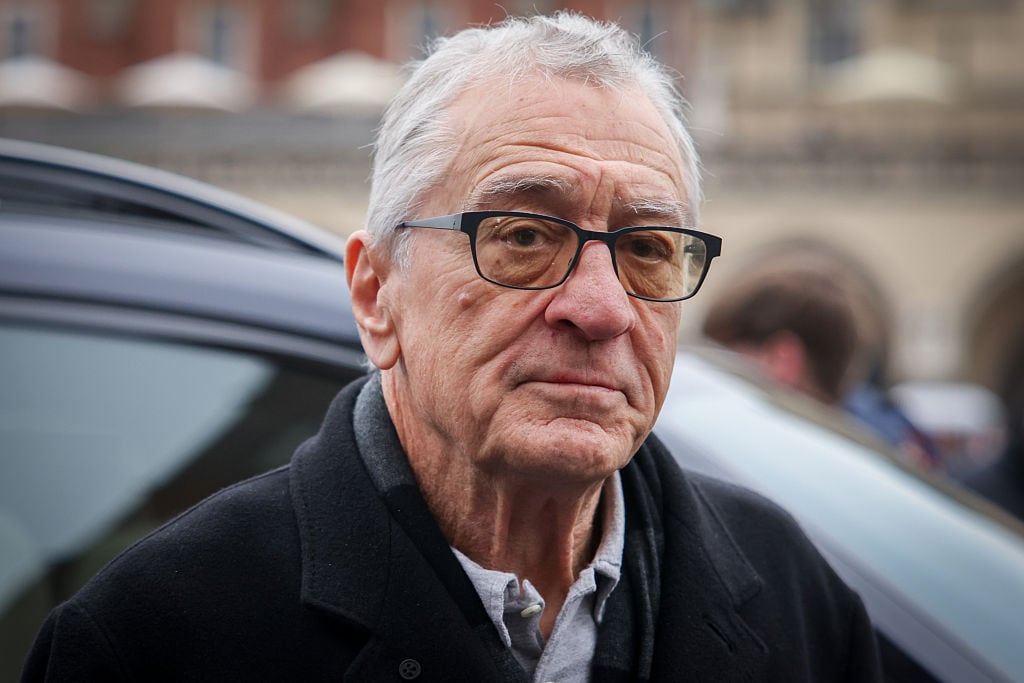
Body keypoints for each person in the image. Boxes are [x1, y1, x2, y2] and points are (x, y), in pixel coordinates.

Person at [23, 13, 882, 681]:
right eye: (523, 235)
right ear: (376, 294)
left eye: (649, 248)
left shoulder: (799, 598)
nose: (601, 308)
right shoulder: (157, 635)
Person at [702, 254, 939, 468]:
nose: (711, 375)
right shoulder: (887, 458)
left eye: (724, 356)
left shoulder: (770, 471)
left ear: (781, 360)